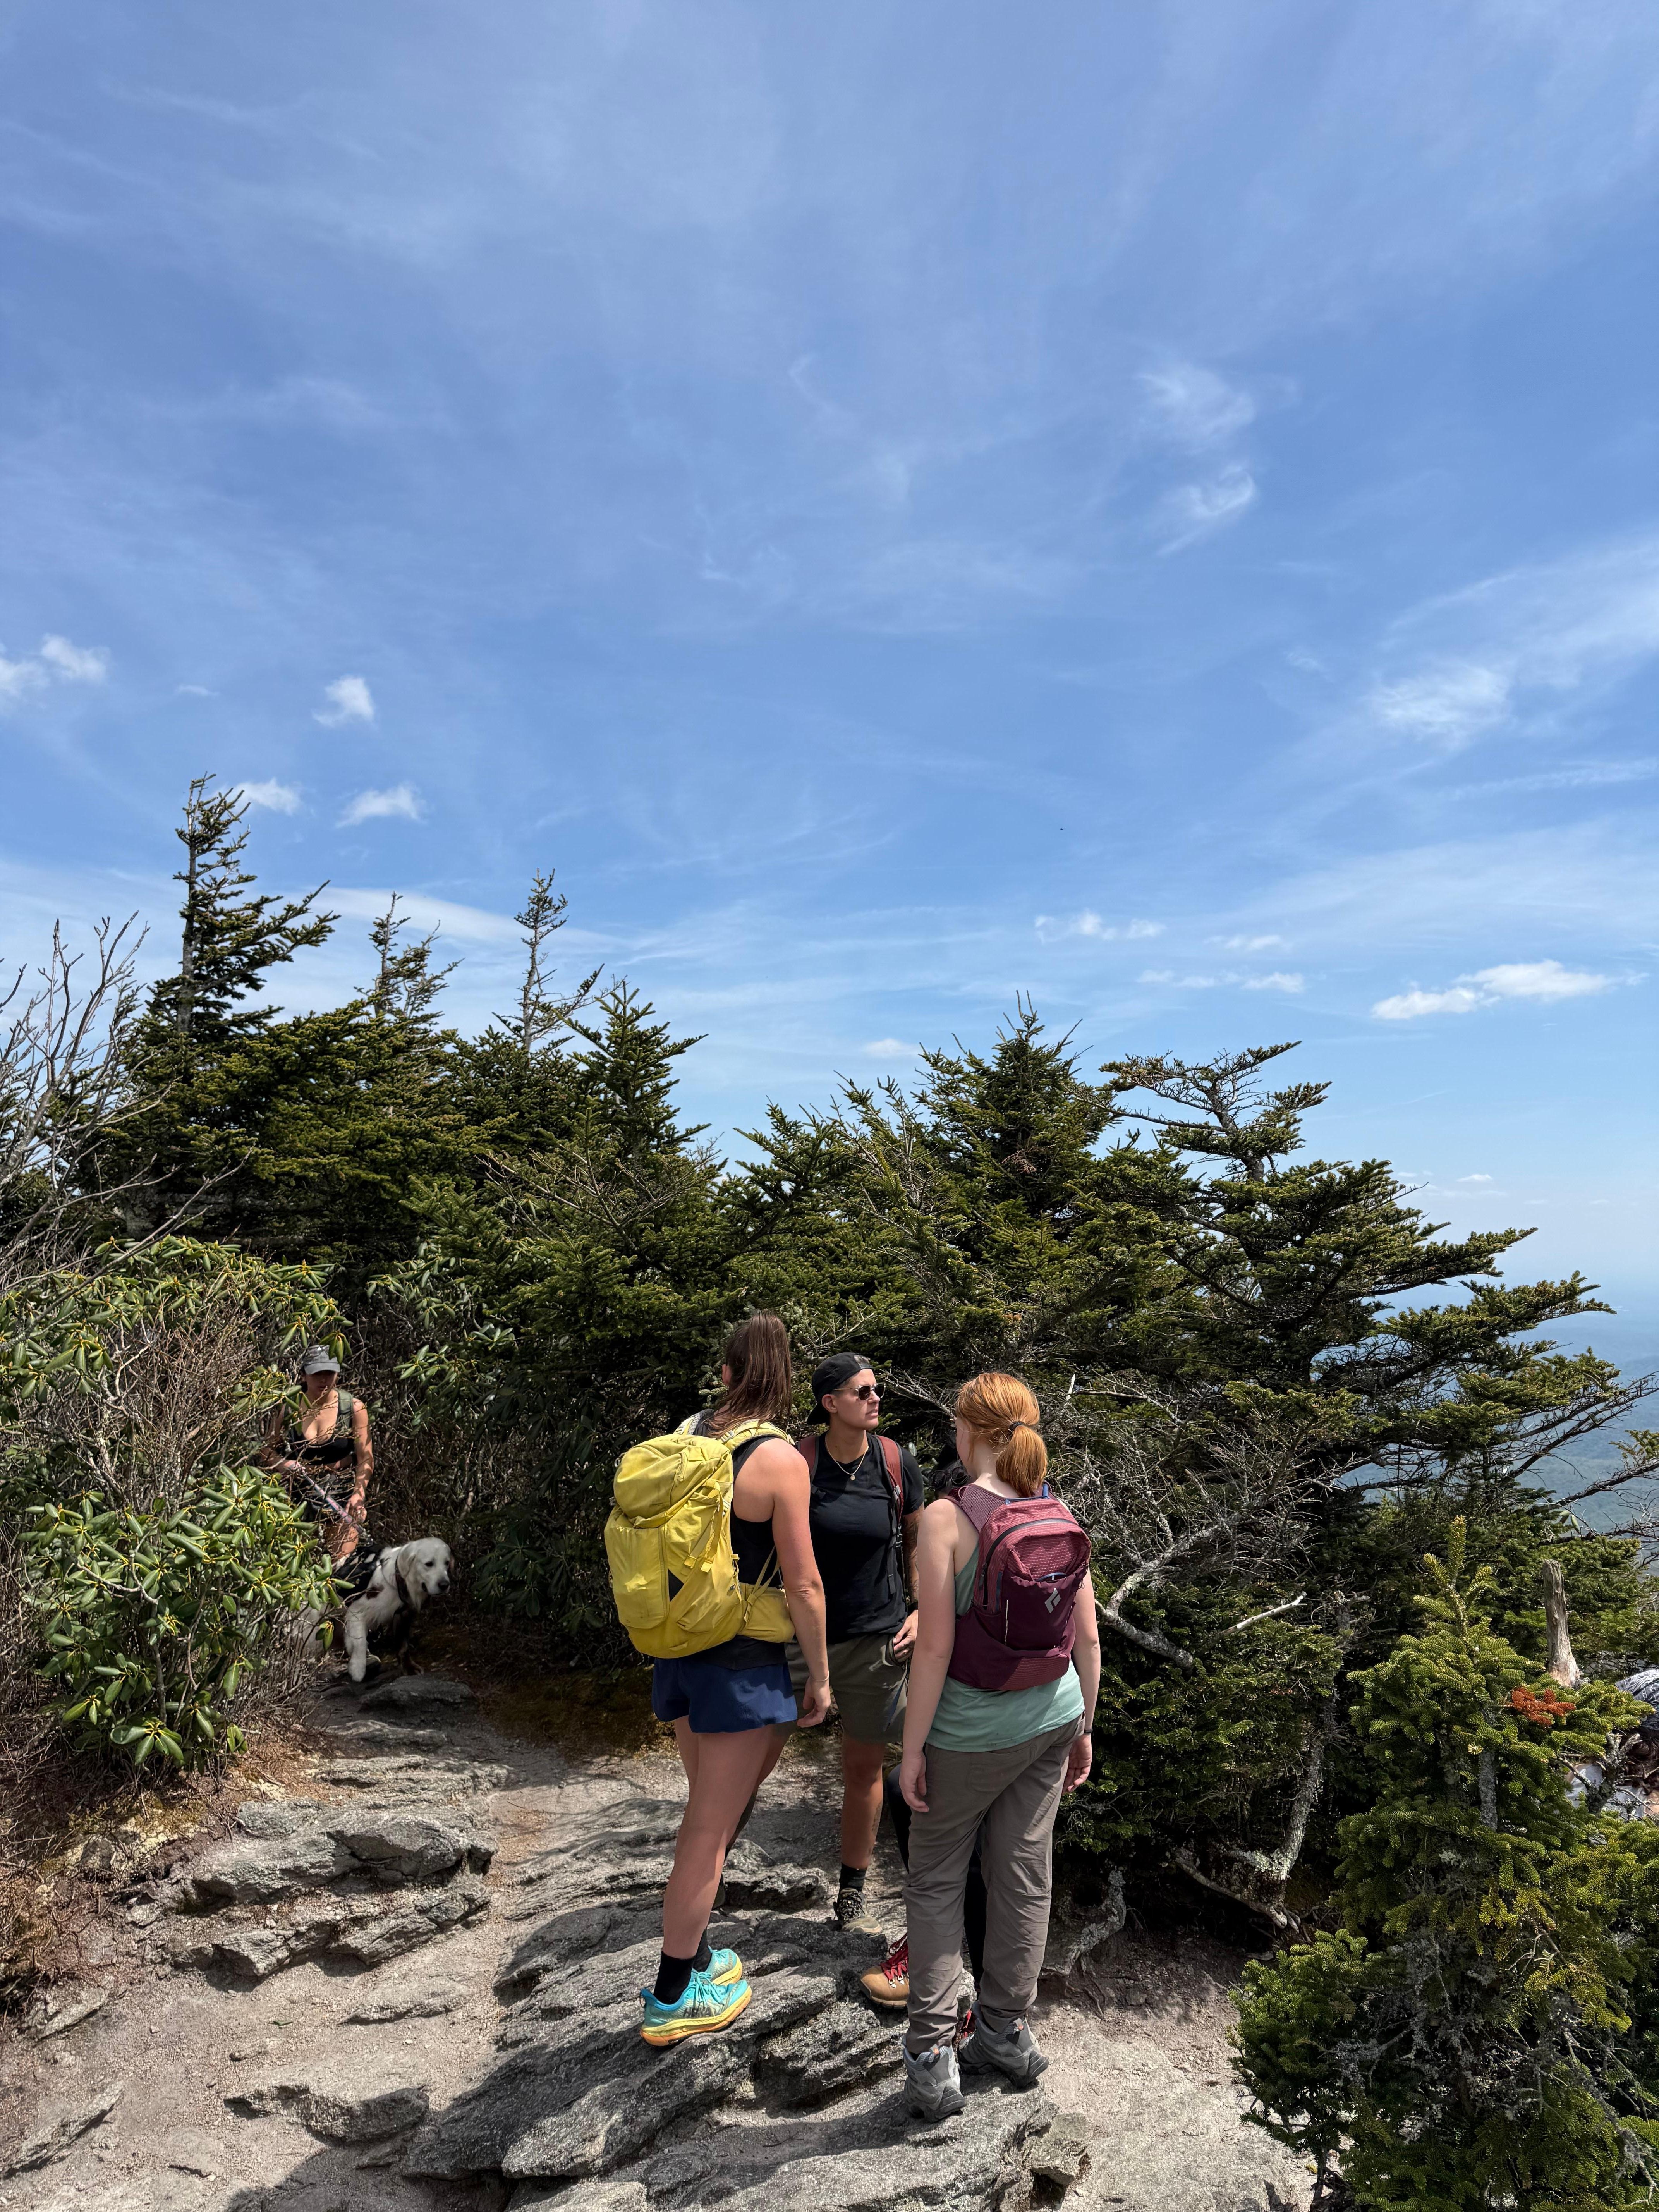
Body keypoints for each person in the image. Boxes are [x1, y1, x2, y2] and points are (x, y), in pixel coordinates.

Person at [897, 1372, 1100, 2121]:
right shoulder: (1054, 1508)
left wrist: (911, 1750)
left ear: (968, 1431)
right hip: (1052, 1717)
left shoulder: (946, 1518)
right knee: (1022, 1869)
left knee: (935, 1879)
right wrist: (1084, 1726)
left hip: (969, 1731)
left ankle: (931, 2058)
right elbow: (1086, 1637)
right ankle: (1006, 2031)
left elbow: (932, 1650)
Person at [641, 1314, 831, 2046]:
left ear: (725, 1374)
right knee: (709, 1828)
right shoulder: (780, 1460)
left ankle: (694, 1957)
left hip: (679, 1644)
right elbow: (804, 1584)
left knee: (705, 1810)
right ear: (785, 1381)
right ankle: (671, 1995)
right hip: (740, 1657)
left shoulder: (687, 1434)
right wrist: (819, 1676)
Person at [788, 1354, 924, 1934]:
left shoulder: (894, 1461)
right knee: (747, 1763)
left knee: (865, 1767)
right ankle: (709, 1875)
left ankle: (852, 1890)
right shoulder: (799, 1462)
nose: (875, 1399)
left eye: (877, 1390)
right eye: (862, 1392)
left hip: (876, 1640)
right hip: (799, 1640)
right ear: (830, 1403)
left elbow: (916, 1539)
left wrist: (921, 1609)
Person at [263, 1344, 374, 1580]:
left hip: (340, 1493)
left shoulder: (353, 1408)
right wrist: (283, 1464)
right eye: (317, 1373)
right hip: (297, 1493)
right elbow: (267, 1451)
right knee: (297, 1571)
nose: (324, 1380)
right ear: (304, 1375)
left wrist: (359, 1494)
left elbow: (365, 1458)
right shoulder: (289, 1407)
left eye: (329, 1373)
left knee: (340, 1571)